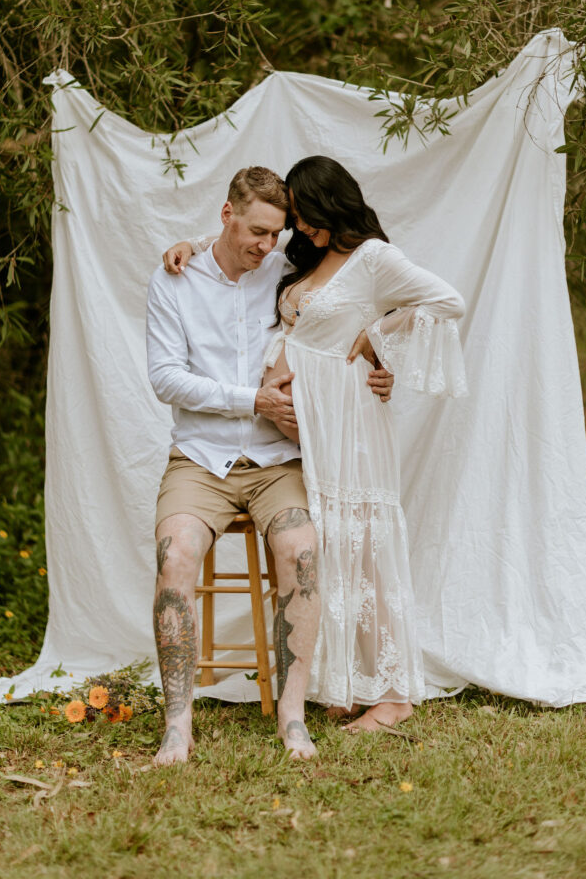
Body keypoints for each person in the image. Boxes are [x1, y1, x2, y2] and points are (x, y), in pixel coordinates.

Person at [166, 156, 467, 734]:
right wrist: (191, 244)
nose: (298, 229)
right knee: (331, 546)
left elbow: (447, 301)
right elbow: (240, 239)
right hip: (309, 431)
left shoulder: (373, 257)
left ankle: (394, 696)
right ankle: (352, 683)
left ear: (332, 204)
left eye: (305, 216)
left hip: (350, 421)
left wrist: (379, 336)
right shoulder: (302, 255)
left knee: (367, 546)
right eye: (294, 220)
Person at [147, 165, 394, 765]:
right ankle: (177, 725)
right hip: (201, 460)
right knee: (175, 554)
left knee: (302, 552)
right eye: (256, 231)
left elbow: (357, 294)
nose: (266, 245)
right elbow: (165, 378)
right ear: (226, 214)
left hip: (276, 461)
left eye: (276, 233)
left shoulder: (287, 274)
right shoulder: (175, 278)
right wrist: (251, 400)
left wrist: (382, 362)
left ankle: (292, 714)